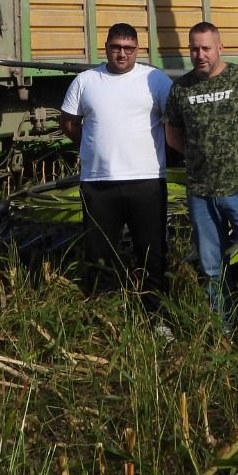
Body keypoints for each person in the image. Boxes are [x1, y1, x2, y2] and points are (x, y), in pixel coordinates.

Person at [163, 21, 238, 338]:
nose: (199, 54)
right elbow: (173, 135)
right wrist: (198, 158)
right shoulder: (182, 89)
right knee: (210, 267)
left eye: (206, 48)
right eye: (194, 48)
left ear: (220, 48)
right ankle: (221, 330)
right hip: (202, 193)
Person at [59, 23, 176, 312]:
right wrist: (93, 147)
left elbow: (173, 121)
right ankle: (104, 312)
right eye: (116, 48)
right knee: (99, 253)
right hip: (99, 184)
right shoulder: (86, 81)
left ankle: (155, 313)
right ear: (106, 48)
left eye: (128, 48)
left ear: (137, 49)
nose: (121, 54)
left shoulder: (156, 80)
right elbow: (69, 123)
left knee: (152, 253)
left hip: (146, 181)